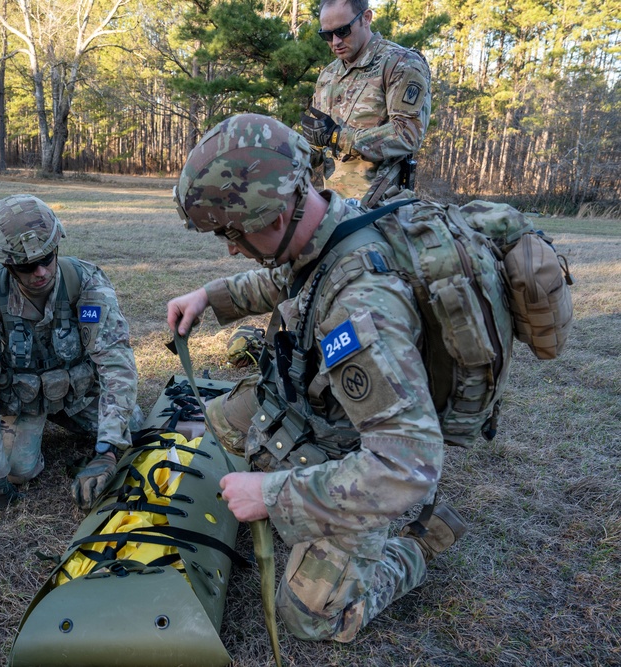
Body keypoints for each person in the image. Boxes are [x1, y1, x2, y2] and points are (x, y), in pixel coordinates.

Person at [167, 113, 486, 642]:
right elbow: (284, 273)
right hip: (322, 415)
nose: (229, 247)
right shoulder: (329, 221)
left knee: (313, 616)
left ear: (273, 216)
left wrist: (272, 494)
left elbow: (407, 464)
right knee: (220, 427)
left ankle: (422, 535)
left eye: (232, 234)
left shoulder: (360, 307)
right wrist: (209, 296)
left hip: (369, 457)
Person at [0, 194, 140, 512]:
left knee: (132, 429)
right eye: (27, 266)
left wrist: (108, 449)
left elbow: (116, 362)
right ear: (7, 264)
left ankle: (80, 427)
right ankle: (28, 435)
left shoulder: (86, 283)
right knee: (16, 471)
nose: (40, 272)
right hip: (24, 399)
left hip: (78, 390)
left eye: (48, 258)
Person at [300, 0, 431, 207]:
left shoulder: (400, 63)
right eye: (326, 35)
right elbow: (317, 144)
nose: (335, 42)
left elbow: (409, 134)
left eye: (343, 31)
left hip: (380, 209)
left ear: (366, 18)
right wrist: (283, 157)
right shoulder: (328, 75)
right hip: (333, 207)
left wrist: (337, 136)